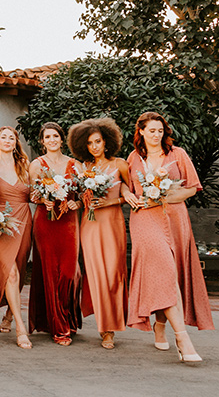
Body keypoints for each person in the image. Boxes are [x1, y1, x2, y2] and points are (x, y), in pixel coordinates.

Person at [122, 112, 212, 363]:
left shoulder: (177, 154)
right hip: (144, 221)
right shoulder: (133, 158)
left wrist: (164, 197)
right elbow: (122, 182)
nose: (156, 135)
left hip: (174, 219)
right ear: (140, 132)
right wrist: (125, 192)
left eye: (160, 131)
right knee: (163, 269)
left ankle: (159, 323)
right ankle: (182, 339)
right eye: (151, 130)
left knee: (170, 274)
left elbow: (192, 188)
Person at [68, 117, 129, 350]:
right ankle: (106, 330)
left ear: (107, 142)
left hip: (112, 225)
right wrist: (79, 204)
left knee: (114, 274)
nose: (94, 147)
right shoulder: (84, 168)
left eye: (98, 141)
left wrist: (111, 202)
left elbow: (131, 195)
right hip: (89, 226)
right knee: (95, 275)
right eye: (90, 143)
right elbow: (81, 197)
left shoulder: (120, 164)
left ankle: (113, 322)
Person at [28, 122, 82, 346]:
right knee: (50, 273)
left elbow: (83, 193)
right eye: (47, 137)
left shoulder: (75, 164)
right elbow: (32, 194)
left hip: (68, 223)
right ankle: (59, 328)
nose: (52, 140)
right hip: (46, 222)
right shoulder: (36, 164)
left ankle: (66, 317)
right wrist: (43, 199)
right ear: (42, 141)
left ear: (61, 139)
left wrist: (76, 203)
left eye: (55, 136)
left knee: (69, 273)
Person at [0, 126, 33, 349]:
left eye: (11, 138)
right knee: (11, 273)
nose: (7, 141)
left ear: (16, 142)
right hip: (1, 223)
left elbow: (36, 194)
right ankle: (20, 328)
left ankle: (9, 312)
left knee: (21, 268)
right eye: (3, 137)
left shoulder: (26, 166)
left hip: (24, 220)